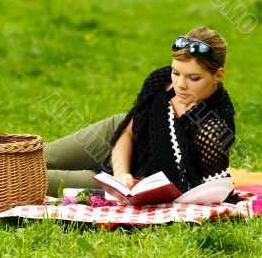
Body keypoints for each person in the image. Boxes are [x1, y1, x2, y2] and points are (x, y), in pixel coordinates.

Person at [44, 26, 238, 202]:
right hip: (116, 136)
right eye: (176, 72)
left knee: (32, 178)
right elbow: (127, 131)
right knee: (39, 157)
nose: (180, 84)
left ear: (218, 76)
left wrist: (121, 181)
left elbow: (210, 192)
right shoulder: (161, 82)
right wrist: (121, 173)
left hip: (134, 182)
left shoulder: (213, 127)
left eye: (194, 78)